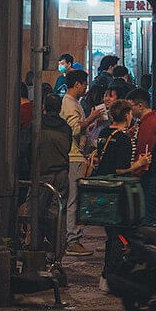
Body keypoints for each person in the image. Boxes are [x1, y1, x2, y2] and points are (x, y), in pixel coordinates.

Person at [94, 98, 150, 292]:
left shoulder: (104, 133)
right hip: (117, 191)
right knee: (119, 235)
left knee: (112, 234)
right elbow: (121, 169)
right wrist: (140, 163)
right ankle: (109, 276)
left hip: (102, 189)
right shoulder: (124, 139)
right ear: (127, 115)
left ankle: (107, 276)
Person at [62, 69, 103, 254]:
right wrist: (91, 118)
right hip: (73, 157)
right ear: (77, 84)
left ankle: (70, 237)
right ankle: (72, 240)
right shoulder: (70, 104)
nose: (86, 88)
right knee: (73, 200)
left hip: (74, 155)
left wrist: (90, 123)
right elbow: (74, 130)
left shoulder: (71, 103)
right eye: (84, 84)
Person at [128, 87, 156, 225]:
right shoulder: (153, 121)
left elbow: (144, 153)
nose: (130, 111)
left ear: (140, 105)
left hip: (152, 175)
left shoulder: (150, 124)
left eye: (131, 107)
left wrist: (134, 172)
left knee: (148, 215)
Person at [37, 92, 72, 252]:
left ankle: (36, 250)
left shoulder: (38, 125)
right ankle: (56, 252)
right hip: (62, 176)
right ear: (59, 108)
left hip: (41, 175)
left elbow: (25, 146)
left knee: (35, 214)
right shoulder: (66, 128)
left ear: (44, 107)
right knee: (57, 215)